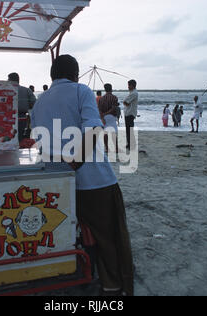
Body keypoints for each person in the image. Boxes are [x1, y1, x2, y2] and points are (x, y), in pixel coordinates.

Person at [31, 55, 134, 296]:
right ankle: (113, 285)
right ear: (76, 75)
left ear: (51, 76)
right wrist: (76, 162)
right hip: (93, 181)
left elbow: (39, 141)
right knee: (109, 235)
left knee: (69, 230)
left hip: (56, 183)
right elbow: (93, 127)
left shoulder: (39, 102)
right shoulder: (82, 91)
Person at [8, 73, 37, 142]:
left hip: (8, 119)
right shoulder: (27, 90)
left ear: (10, 80)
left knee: (9, 139)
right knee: (20, 138)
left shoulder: (6, 90)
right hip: (22, 118)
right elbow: (34, 103)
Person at [98, 83, 119, 153]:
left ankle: (107, 148)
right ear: (111, 88)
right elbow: (113, 108)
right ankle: (116, 148)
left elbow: (99, 110)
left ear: (105, 89)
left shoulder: (101, 99)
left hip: (104, 118)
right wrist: (106, 113)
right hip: (112, 117)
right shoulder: (115, 97)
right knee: (113, 133)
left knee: (105, 133)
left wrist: (102, 117)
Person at [123, 80, 138, 150]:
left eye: (129, 85)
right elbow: (126, 102)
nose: (128, 87)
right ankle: (129, 144)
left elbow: (125, 102)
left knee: (129, 129)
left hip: (130, 113)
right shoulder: (132, 92)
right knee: (128, 129)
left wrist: (125, 102)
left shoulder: (133, 93)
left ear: (132, 85)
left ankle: (131, 144)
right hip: (129, 113)